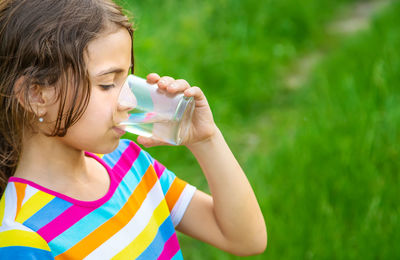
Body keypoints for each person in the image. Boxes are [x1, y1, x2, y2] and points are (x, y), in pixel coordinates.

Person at [0, 0, 267, 259]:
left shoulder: (131, 164)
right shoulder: (22, 235)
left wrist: (206, 139)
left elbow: (245, 238)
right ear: (36, 96)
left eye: (126, 79)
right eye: (107, 84)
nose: (129, 101)